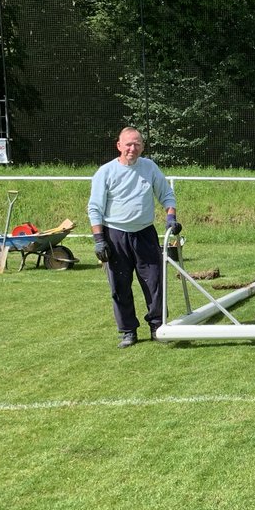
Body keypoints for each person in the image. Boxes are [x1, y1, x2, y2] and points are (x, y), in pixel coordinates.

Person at [87, 127, 180, 348]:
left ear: (143, 146)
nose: (132, 148)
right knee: (120, 286)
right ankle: (128, 331)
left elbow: (166, 195)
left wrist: (171, 218)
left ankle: (158, 326)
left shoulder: (149, 167)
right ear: (119, 146)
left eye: (137, 144)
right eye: (128, 144)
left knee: (155, 281)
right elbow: (94, 208)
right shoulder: (106, 172)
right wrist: (99, 239)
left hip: (145, 234)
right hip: (115, 236)